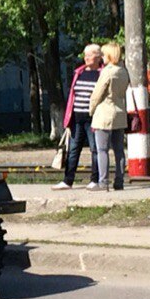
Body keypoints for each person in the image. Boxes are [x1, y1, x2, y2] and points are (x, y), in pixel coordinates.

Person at [53, 43, 104, 190]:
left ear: (98, 57)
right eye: (85, 55)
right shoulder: (79, 73)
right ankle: (68, 180)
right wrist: (68, 118)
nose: (86, 58)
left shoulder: (101, 74)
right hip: (76, 118)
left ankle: (95, 180)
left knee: (95, 149)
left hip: (93, 118)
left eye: (90, 55)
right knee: (73, 149)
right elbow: (72, 96)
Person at [89, 41, 130, 191]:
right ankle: (119, 181)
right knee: (119, 150)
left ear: (109, 55)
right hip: (120, 113)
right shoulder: (124, 71)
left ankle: (103, 182)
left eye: (104, 55)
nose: (102, 58)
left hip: (105, 113)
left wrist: (91, 109)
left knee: (102, 149)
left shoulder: (107, 72)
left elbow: (97, 94)